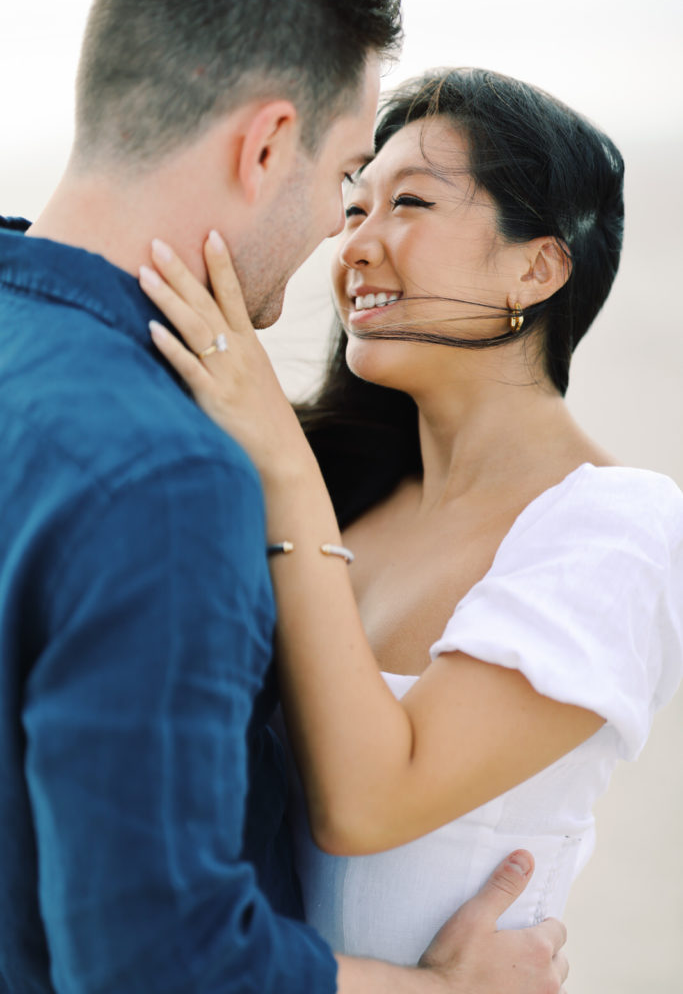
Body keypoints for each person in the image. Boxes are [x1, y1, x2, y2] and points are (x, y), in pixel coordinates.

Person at [0, 0, 569, 991]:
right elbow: (158, 963)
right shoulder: (163, 477)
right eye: (342, 174)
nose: (334, 234)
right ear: (265, 146)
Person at [141, 67, 683, 965]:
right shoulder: (347, 491)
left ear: (537, 266)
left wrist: (278, 458)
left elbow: (365, 803)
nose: (354, 245)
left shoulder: (617, 531)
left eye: (412, 205)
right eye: (353, 210)